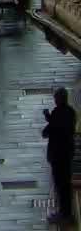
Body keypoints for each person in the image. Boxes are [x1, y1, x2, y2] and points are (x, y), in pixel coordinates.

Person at [44, 87, 75, 225]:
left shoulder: (57, 113)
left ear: (59, 99)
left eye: (56, 98)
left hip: (57, 154)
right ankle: (66, 213)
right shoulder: (71, 112)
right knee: (66, 184)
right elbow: (62, 126)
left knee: (60, 185)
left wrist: (50, 120)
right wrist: (49, 118)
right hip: (67, 153)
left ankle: (64, 214)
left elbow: (48, 131)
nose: (55, 100)